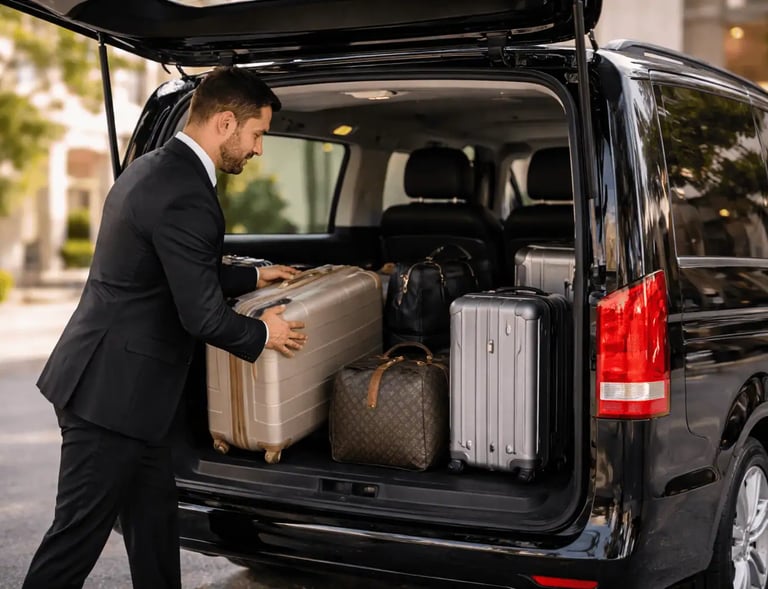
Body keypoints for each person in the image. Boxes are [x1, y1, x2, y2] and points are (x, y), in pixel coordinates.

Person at [22, 66, 307, 589]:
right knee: (74, 542)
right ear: (225, 122)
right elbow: (200, 315)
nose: (258, 149)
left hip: (134, 401)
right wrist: (265, 332)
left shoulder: (155, 166)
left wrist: (250, 273)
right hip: (108, 400)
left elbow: (168, 264)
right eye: (257, 134)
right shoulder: (188, 193)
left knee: (154, 527)